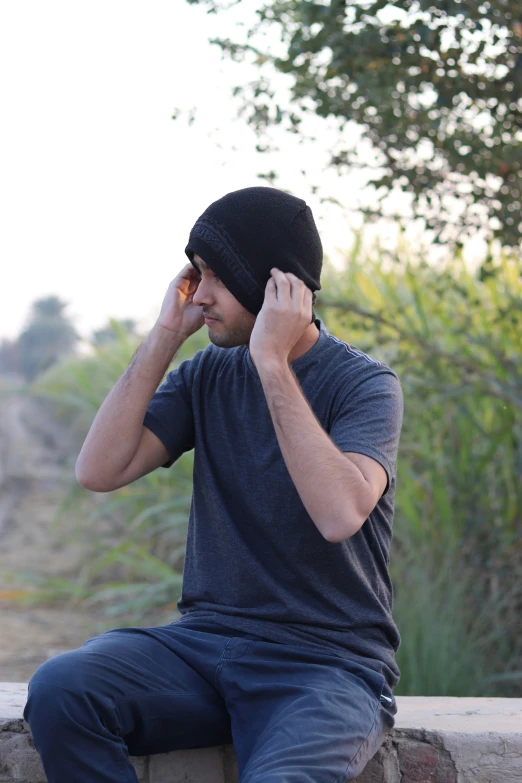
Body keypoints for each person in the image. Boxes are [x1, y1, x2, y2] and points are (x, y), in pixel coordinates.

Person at [23, 186, 403, 783]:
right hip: (203, 649)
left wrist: (272, 364)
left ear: (273, 286)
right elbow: (98, 470)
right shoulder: (207, 373)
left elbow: (339, 513)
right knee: (62, 689)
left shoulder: (365, 385)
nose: (197, 295)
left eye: (214, 278)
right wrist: (164, 336)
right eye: (194, 276)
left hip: (326, 668)